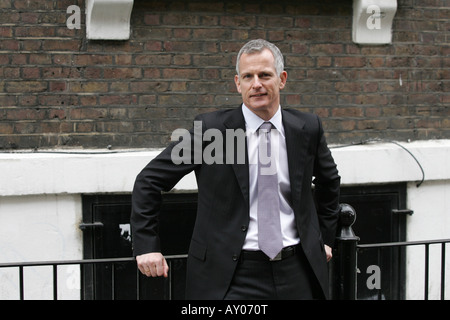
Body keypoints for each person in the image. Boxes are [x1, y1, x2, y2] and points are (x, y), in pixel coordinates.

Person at [130, 39, 340, 300]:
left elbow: (329, 182)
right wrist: (147, 245)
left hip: (297, 270)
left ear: (282, 79)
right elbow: (149, 181)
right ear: (238, 83)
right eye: (247, 76)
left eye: (265, 75)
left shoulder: (307, 128)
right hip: (231, 277)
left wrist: (326, 239)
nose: (256, 84)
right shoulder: (212, 131)